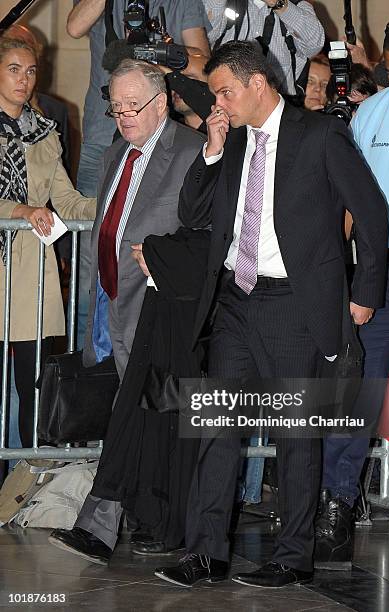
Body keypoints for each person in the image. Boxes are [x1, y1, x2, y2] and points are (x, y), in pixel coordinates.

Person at [154, 40, 388, 589]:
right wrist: (211, 151)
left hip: (293, 305)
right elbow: (192, 212)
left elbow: (371, 209)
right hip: (235, 301)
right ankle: (206, 552)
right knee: (217, 426)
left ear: (257, 84)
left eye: (225, 93)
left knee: (294, 434)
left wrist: (367, 291)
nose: (219, 104)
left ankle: (291, 556)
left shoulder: (320, 135)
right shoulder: (231, 140)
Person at [48, 59, 206, 564]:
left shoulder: (190, 150)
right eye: (114, 105)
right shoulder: (117, 153)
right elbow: (104, 228)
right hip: (114, 305)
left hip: (162, 310)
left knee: (131, 418)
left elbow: (199, 229)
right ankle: (153, 520)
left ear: (162, 102)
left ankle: (99, 522)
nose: (121, 114)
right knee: (149, 417)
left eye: (132, 104)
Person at [315, 16, 389, 571]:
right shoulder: (371, 112)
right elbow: (346, 196)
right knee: (354, 395)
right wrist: (338, 270)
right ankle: (337, 509)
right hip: (379, 276)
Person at [66, 0, 211, 348]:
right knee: (92, 264)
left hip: (161, 139)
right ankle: (94, 358)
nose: (124, 110)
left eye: (128, 103)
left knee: (147, 251)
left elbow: (204, 62)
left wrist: (162, 56)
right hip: (102, 144)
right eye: (121, 103)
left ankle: (142, 352)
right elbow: (73, 26)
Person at [0, 38, 95, 449]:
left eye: (31, 70)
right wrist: (21, 210)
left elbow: (69, 202)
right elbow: (26, 208)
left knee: (32, 391)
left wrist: (119, 200)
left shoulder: (45, 132)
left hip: (30, 277)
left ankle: (23, 491)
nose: (24, 79)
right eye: (14, 69)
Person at [203, 0, 325, 95]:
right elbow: (203, 37)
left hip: (278, 110)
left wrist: (278, 4)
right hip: (225, 106)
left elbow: (314, 46)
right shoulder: (222, 3)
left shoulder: (296, 4)